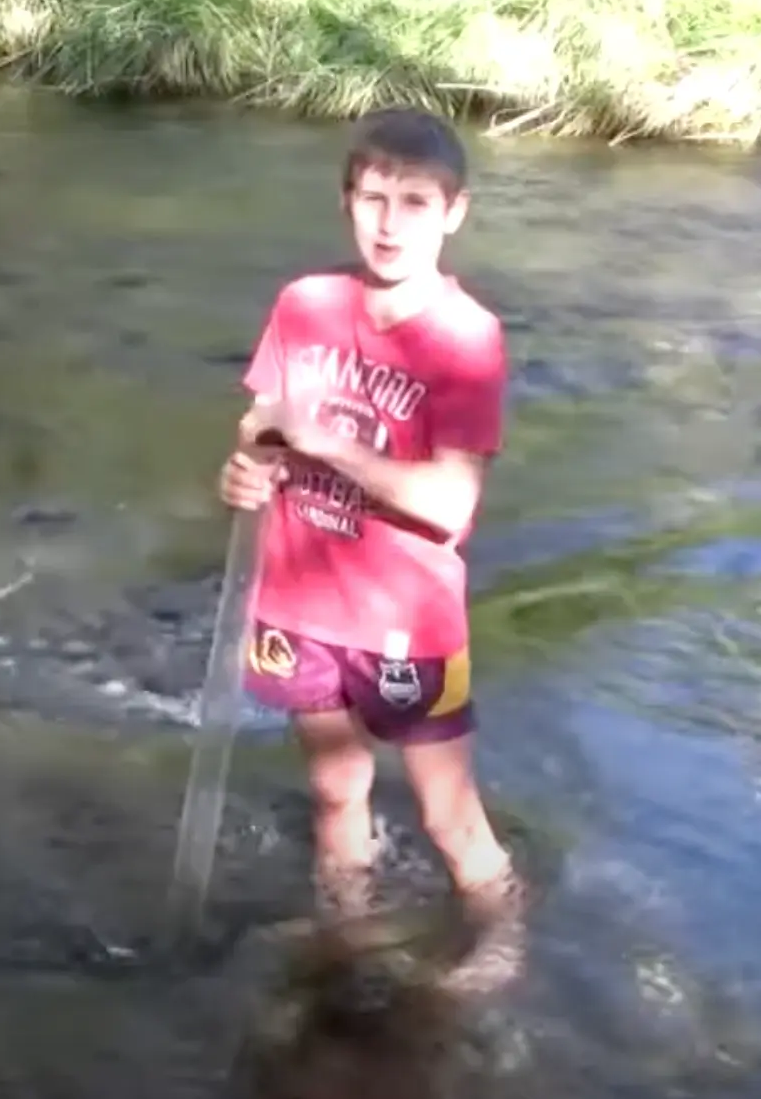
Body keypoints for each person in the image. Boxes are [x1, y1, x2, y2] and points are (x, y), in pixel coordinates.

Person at [215, 106, 523, 996]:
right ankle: (344, 936)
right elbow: (260, 430)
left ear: (453, 213)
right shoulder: (305, 305)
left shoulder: (467, 341)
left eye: (415, 203)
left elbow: (450, 504)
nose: (389, 224)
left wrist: (320, 442)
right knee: (334, 794)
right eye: (373, 198)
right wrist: (244, 472)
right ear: (346, 200)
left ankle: (502, 940)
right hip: (296, 602)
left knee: (445, 813)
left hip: (407, 623)